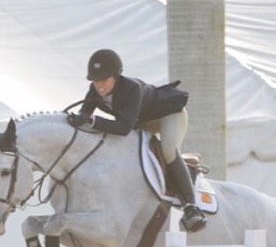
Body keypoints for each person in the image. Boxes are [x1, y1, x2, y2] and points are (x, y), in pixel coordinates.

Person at [67, 49, 206, 232]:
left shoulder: (132, 88)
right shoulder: (94, 90)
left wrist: (91, 121)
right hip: (140, 122)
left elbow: (123, 128)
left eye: (104, 81)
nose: (99, 86)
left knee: (168, 151)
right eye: (95, 81)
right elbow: (84, 116)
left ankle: (190, 206)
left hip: (168, 116)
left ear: (116, 76)